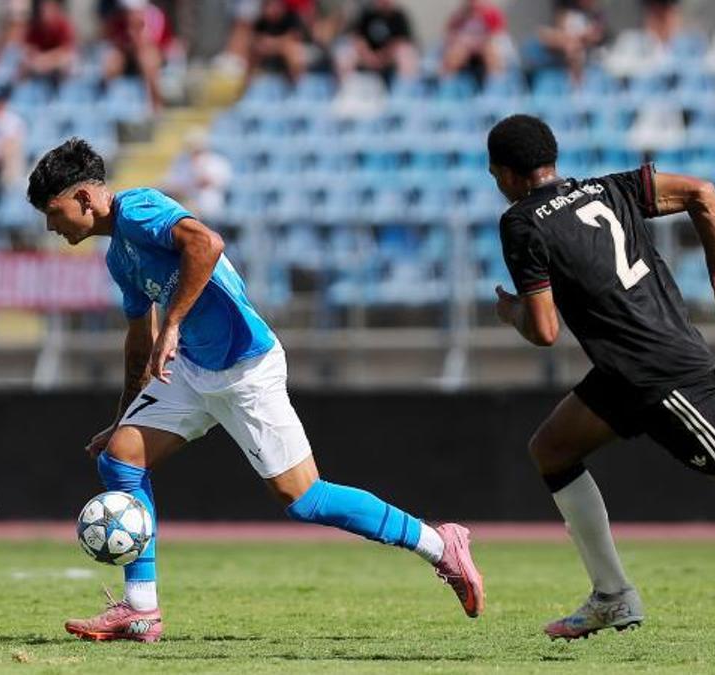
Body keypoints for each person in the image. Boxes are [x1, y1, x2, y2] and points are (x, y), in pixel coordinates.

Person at [27, 138, 484, 642]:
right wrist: (121, 420)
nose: (52, 226)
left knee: (305, 498)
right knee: (120, 458)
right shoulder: (120, 259)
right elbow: (139, 345)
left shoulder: (140, 208)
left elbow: (207, 244)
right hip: (193, 370)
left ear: (86, 200)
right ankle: (140, 611)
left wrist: (173, 325)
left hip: (246, 366)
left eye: (54, 212)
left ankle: (440, 544)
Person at [488, 114, 715, 640]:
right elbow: (702, 192)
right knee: (551, 448)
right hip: (626, 371)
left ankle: (613, 595)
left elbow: (544, 329)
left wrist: (509, 311)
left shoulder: (521, 222)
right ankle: (613, 596)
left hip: (658, 372)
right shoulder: (606, 189)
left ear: (504, 173)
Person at [102, 0, 171, 111]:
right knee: (111, 60)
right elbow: (112, 40)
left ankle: (156, 106)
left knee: (148, 60)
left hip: (148, 55)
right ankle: (106, 102)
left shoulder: (155, 16)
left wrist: (138, 39)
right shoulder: (117, 18)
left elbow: (157, 44)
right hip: (125, 55)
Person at [336, 0, 417, 84]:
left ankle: (406, 90)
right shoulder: (367, 14)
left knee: (407, 54)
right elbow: (357, 39)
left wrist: (383, 56)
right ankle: (346, 88)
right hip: (368, 56)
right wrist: (369, 56)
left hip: (389, 58)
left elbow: (402, 41)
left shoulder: (398, 16)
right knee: (345, 53)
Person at [161, 131, 232, 220]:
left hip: (208, 207)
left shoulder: (216, 162)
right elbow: (171, 183)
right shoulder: (181, 162)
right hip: (185, 205)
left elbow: (216, 181)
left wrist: (198, 169)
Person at [537, 0, 607, 83]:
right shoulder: (550, 78)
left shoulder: (596, 14)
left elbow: (598, 35)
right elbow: (542, 34)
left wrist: (583, 37)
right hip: (558, 68)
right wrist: (567, 39)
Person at [440, 0, 507, 81]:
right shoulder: (459, 16)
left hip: (486, 48)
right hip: (466, 51)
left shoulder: (492, 14)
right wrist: (465, 42)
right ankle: (447, 81)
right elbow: (450, 36)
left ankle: (496, 81)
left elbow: (497, 36)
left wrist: (476, 42)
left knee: (490, 49)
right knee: (456, 52)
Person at [249, 0, 307, 84]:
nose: (274, 9)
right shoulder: (260, 21)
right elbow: (255, 39)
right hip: (267, 49)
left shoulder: (291, 17)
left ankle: (297, 84)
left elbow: (294, 38)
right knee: (253, 50)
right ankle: (250, 83)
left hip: (285, 49)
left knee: (294, 51)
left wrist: (273, 43)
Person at [21, 0, 77, 82]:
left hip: (60, 77)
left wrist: (45, 60)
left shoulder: (64, 25)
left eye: (50, 7)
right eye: (44, 7)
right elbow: (27, 53)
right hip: (37, 75)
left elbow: (67, 54)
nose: (46, 10)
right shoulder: (35, 27)